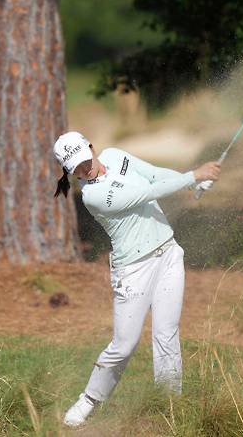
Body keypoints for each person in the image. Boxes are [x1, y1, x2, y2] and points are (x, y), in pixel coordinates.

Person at [52, 131, 221, 427]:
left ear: (90, 148)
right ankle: (89, 399)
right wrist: (193, 175)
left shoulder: (116, 156)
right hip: (133, 270)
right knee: (124, 344)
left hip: (168, 254)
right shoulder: (94, 197)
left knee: (166, 335)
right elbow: (145, 194)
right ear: (69, 171)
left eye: (83, 159)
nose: (83, 168)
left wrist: (192, 179)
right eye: (74, 167)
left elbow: (155, 176)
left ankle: (170, 407)